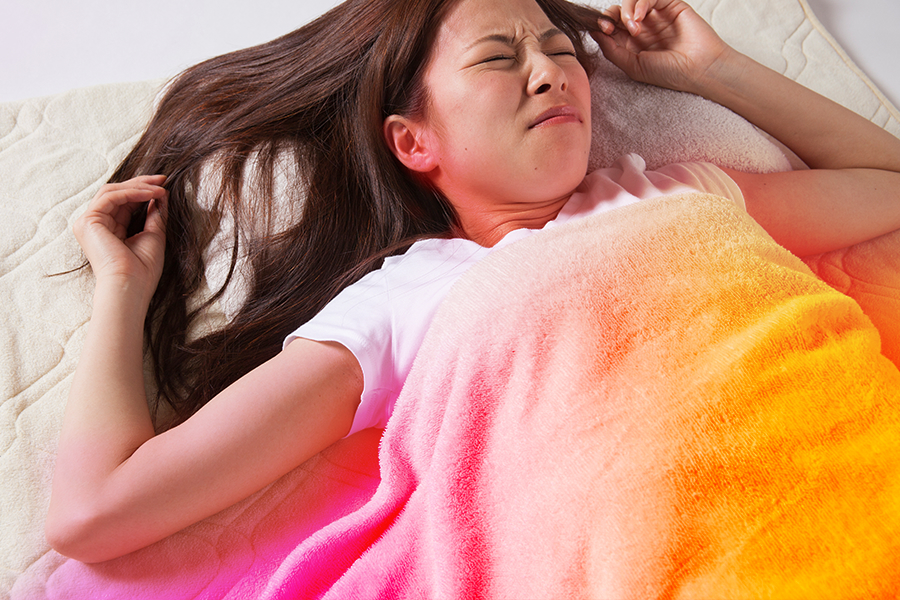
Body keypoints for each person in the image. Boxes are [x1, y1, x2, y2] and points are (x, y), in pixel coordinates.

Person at [46, 0, 900, 563]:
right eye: (498, 58)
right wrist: (125, 291)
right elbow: (95, 513)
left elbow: (890, 183)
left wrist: (711, 71)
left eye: (560, 51)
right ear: (413, 142)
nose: (552, 72)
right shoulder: (403, 303)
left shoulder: (677, 192)